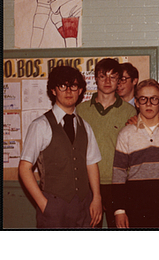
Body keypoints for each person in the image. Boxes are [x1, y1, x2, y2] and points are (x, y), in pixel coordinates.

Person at [19, 65, 102, 229]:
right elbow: (24, 168)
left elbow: (91, 163)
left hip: (85, 205)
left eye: (74, 86)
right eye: (63, 86)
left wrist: (97, 198)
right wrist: (44, 204)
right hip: (54, 205)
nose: (69, 91)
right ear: (53, 90)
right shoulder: (40, 125)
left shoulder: (85, 126)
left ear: (80, 91)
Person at [76, 58, 136, 228]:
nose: (107, 81)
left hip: (117, 183)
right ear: (95, 79)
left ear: (118, 80)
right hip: (87, 183)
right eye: (103, 76)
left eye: (112, 77)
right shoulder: (81, 110)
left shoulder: (129, 111)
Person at [112, 79, 159, 228]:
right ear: (136, 103)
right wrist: (119, 210)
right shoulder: (126, 133)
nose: (148, 104)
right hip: (136, 206)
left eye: (154, 99)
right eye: (143, 99)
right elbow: (119, 174)